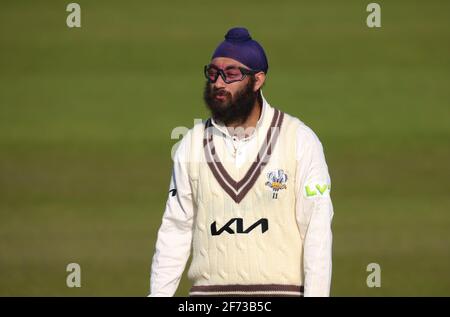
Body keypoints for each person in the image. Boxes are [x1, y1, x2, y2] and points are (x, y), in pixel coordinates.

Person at [149, 27, 334, 297]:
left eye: (231, 74)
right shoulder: (191, 143)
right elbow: (175, 230)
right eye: (213, 73)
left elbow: (316, 229)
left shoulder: (300, 140)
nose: (219, 83)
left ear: (257, 80)